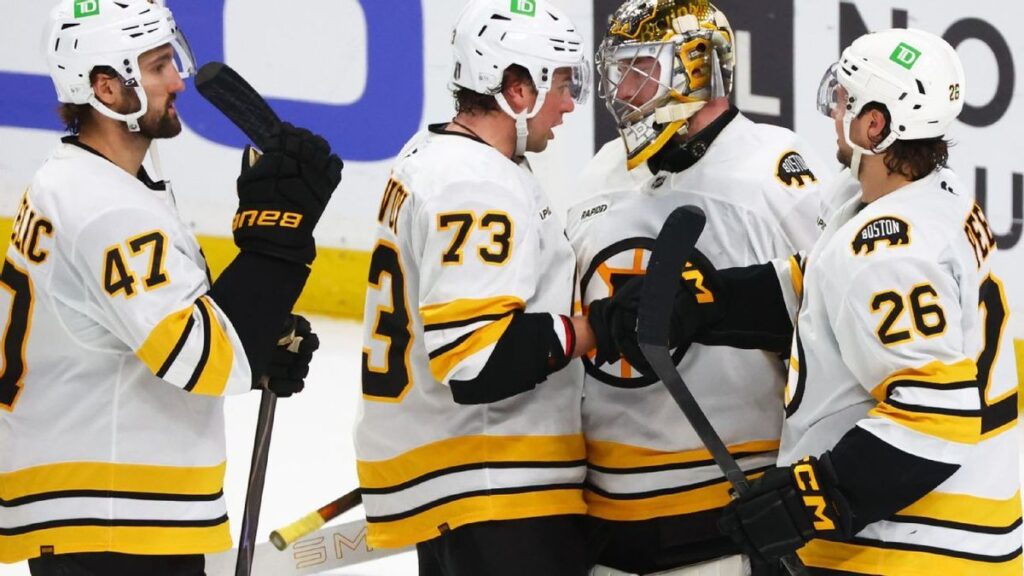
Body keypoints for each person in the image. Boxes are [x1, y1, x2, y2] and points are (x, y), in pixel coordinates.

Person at [0, 1, 341, 574]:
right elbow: (205, 359)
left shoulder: (93, 183)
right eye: (158, 66)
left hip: (102, 505)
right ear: (107, 88)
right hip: (112, 517)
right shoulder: (106, 207)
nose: (177, 81)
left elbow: (139, 330)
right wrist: (274, 244)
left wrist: (259, 338)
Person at [670, 28, 1020, 575]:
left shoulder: (890, 256)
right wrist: (715, 301)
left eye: (844, 100)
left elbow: (936, 418)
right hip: (960, 531)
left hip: (917, 548)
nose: (834, 112)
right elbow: (828, 293)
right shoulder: (930, 195)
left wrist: (815, 498)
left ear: (874, 125)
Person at [566, 1, 831, 574]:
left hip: (725, 513)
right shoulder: (600, 172)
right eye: (620, 70)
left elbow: (834, 320)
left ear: (698, 66)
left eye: (642, 69)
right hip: (604, 515)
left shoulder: (772, 171)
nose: (625, 90)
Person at [352, 0, 608, 574]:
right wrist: (596, 329)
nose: (569, 103)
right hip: (495, 487)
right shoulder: (475, 182)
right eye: (561, 84)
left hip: (462, 480)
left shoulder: (433, 156)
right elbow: (477, 362)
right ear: (517, 89)